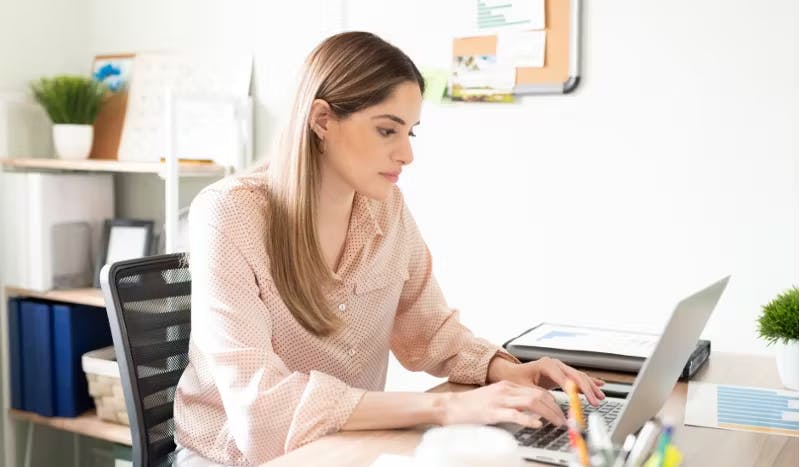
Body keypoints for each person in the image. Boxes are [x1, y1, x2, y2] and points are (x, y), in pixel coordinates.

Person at [173, 31, 605, 466]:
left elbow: (429, 328)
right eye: (386, 130)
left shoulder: (385, 208)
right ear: (322, 120)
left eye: (411, 132)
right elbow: (261, 410)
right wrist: (446, 408)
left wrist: (507, 370)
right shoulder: (228, 214)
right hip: (234, 459)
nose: (406, 154)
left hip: (344, 446)